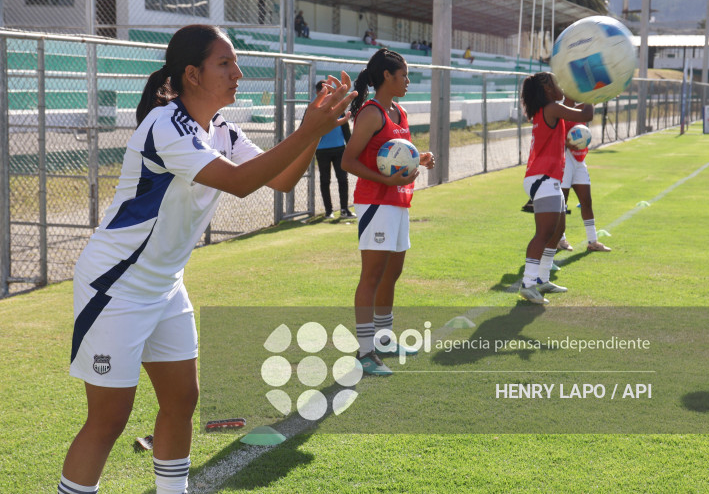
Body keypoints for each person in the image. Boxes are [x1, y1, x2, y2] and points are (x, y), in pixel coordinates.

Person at [59, 24, 355, 494]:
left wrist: (313, 133)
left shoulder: (221, 129)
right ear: (192, 75)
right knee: (108, 420)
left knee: (182, 402)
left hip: (165, 285)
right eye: (225, 63)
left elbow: (279, 180)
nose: (237, 73)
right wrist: (307, 131)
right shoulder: (164, 124)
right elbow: (239, 183)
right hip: (115, 286)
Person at [341, 48, 435, 375]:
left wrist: (418, 158)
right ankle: (365, 352)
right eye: (404, 75)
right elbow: (348, 161)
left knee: (392, 273)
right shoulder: (371, 113)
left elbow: (397, 154)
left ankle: (383, 340)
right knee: (372, 275)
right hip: (375, 203)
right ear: (387, 76)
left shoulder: (400, 112)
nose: (408, 81)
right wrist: (385, 178)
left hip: (399, 201)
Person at [518, 72, 593, 304]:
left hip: (548, 179)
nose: (560, 85)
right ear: (546, 87)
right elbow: (585, 114)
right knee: (544, 232)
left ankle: (542, 279)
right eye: (555, 82)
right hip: (543, 178)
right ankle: (528, 283)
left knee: (557, 231)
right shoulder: (551, 108)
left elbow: (575, 112)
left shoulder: (549, 109)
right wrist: (591, 92)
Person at [559, 113, 611, 253]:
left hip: (579, 159)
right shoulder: (562, 101)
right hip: (565, 156)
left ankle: (592, 241)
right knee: (562, 201)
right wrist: (565, 142)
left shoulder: (583, 102)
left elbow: (588, 114)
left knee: (586, 201)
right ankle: (561, 239)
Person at [311, 80, 355, 219]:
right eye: (324, 91)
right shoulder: (313, 108)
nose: (327, 93)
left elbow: (345, 127)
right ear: (318, 93)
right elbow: (306, 129)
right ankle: (329, 211)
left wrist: (351, 146)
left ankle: (344, 210)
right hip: (322, 150)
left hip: (339, 149)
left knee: (343, 179)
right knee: (325, 180)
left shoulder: (337, 106)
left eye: (329, 90)